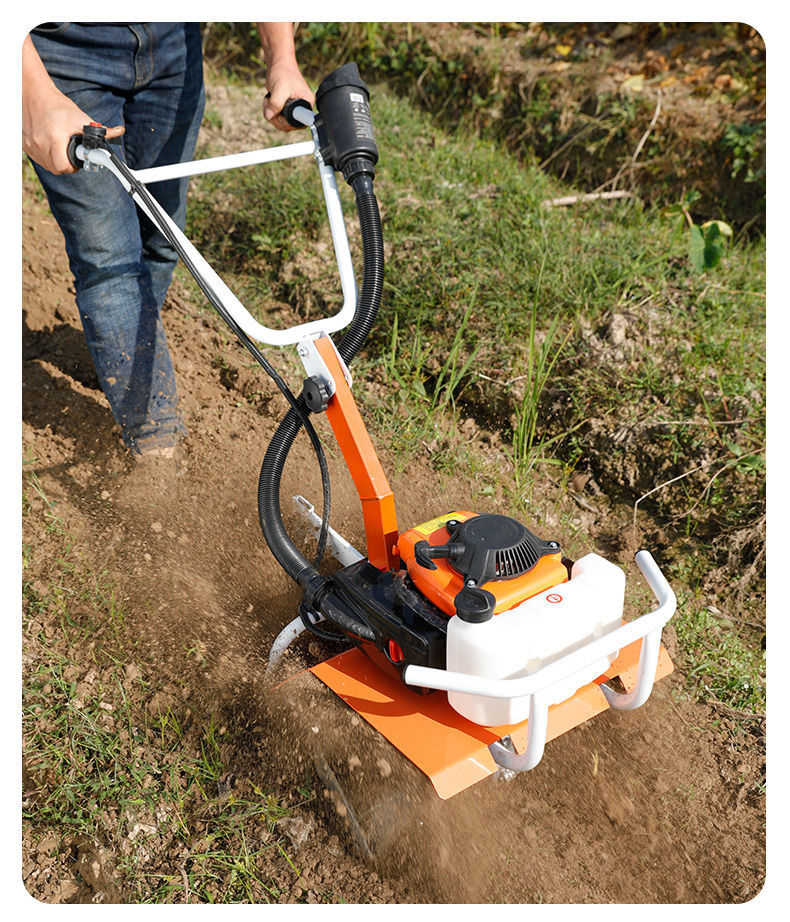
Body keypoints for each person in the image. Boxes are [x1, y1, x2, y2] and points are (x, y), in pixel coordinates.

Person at [22, 22, 314, 458]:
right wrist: (34, 96)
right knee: (110, 261)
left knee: (162, 237)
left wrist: (283, 60)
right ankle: (155, 449)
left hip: (173, 44)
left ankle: (118, 352)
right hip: (63, 54)